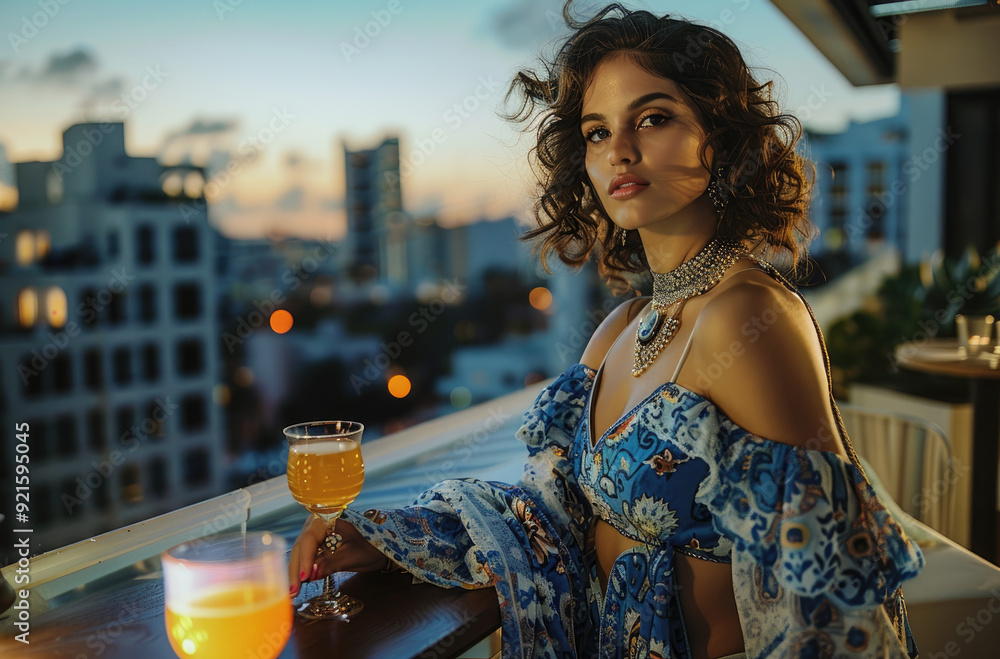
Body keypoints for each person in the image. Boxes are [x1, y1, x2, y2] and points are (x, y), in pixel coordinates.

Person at [288, 3, 925, 657]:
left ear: (721, 136)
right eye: (596, 132)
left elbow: (819, 599)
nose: (619, 149)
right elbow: (546, 512)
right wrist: (378, 541)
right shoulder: (621, 327)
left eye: (653, 118)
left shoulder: (748, 319)